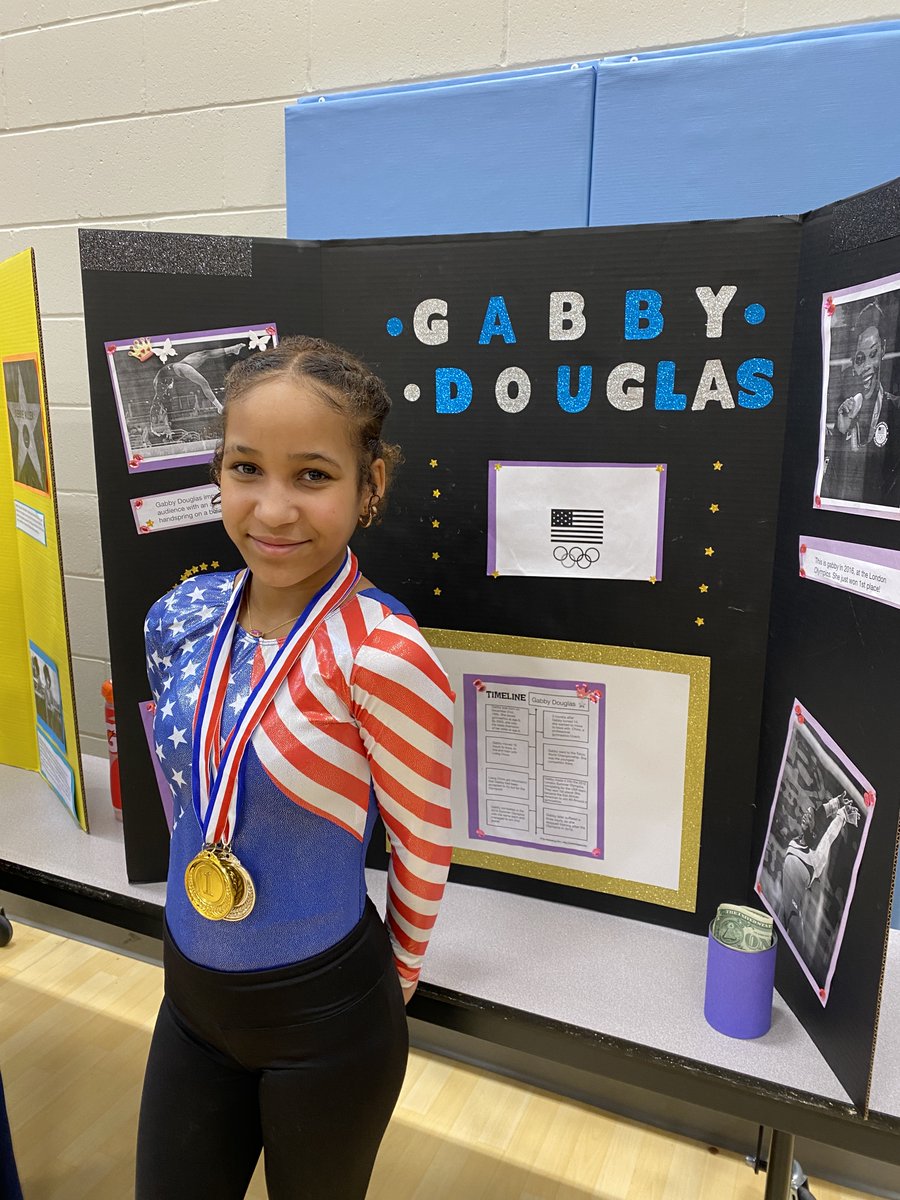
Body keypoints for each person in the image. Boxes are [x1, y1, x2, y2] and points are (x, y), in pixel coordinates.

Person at [136, 336, 456, 1200]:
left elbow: (424, 843)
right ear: (218, 471)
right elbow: (195, 784)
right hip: (190, 998)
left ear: (370, 486)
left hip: (327, 1020)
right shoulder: (182, 616)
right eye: (247, 468)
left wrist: (391, 989)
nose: (272, 509)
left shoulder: (382, 655)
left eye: (312, 475)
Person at [824, 302, 900, 506]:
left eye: (873, 355)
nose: (866, 366)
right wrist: (841, 433)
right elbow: (829, 489)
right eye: (860, 359)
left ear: (883, 350)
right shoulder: (841, 413)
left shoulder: (895, 409)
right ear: (853, 363)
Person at [780, 791, 860, 944]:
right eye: (806, 813)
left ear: (814, 829)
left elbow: (829, 836)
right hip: (783, 908)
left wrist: (841, 815)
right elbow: (817, 814)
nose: (805, 815)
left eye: (809, 817)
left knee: (793, 941)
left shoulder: (815, 857)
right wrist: (835, 803)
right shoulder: (795, 841)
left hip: (794, 914)